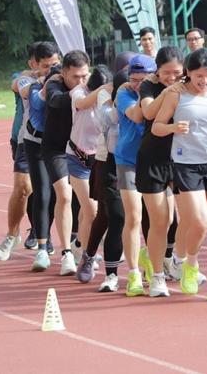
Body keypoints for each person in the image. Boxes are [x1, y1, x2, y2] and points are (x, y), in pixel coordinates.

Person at [152, 48, 207, 302]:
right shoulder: (177, 93)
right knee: (200, 221)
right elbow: (157, 127)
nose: (204, 81)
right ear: (188, 73)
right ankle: (190, 264)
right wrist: (173, 127)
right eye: (199, 76)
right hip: (187, 163)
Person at [133, 47, 186, 297]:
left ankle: (180, 263)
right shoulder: (149, 86)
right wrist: (168, 90)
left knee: (188, 218)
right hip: (152, 158)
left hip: (183, 158)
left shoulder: (189, 84)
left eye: (177, 72)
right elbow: (148, 113)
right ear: (157, 70)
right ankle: (156, 276)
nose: (172, 77)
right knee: (160, 221)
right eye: (166, 73)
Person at [40, 50, 91, 276]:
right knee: (65, 195)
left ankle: (80, 245)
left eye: (84, 76)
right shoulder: (55, 85)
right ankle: (66, 253)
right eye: (75, 77)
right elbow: (55, 100)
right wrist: (79, 93)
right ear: (63, 74)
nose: (80, 81)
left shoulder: (92, 85)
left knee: (88, 204)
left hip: (81, 150)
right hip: (56, 149)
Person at [17, 43, 62, 269]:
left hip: (60, 145)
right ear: (35, 64)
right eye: (46, 66)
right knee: (42, 192)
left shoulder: (65, 78)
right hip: (34, 142)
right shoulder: (28, 80)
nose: (51, 69)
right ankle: (43, 244)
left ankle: (62, 240)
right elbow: (25, 91)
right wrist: (44, 80)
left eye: (55, 64)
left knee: (57, 195)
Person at [66, 65, 113, 279]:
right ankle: (87, 255)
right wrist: (103, 89)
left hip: (99, 159)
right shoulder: (80, 91)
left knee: (87, 212)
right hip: (77, 157)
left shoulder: (111, 99)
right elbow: (82, 103)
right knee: (91, 210)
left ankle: (79, 245)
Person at [115, 54, 155, 296]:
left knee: (162, 218)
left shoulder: (162, 91)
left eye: (143, 80)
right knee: (134, 216)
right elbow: (137, 115)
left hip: (153, 160)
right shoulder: (124, 94)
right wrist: (144, 91)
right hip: (127, 160)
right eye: (134, 79)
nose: (137, 84)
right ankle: (133, 274)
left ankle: (151, 258)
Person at [0, 46, 37, 261]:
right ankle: (13, 234)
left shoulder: (59, 79)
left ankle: (39, 231)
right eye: (42, 63)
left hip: (51, 141)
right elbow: (16, 85)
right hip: (21, 139)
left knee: (43, 190)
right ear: (32, 63)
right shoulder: (22, 78)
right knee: (24, 188)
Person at [83, 67, 124, 291]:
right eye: (131, 82)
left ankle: (158, 263)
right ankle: (92, 258)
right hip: (107, 161)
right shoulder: (105, 100)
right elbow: (109, 120)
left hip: (138, 163)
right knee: (110, 216)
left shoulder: (149, 96)